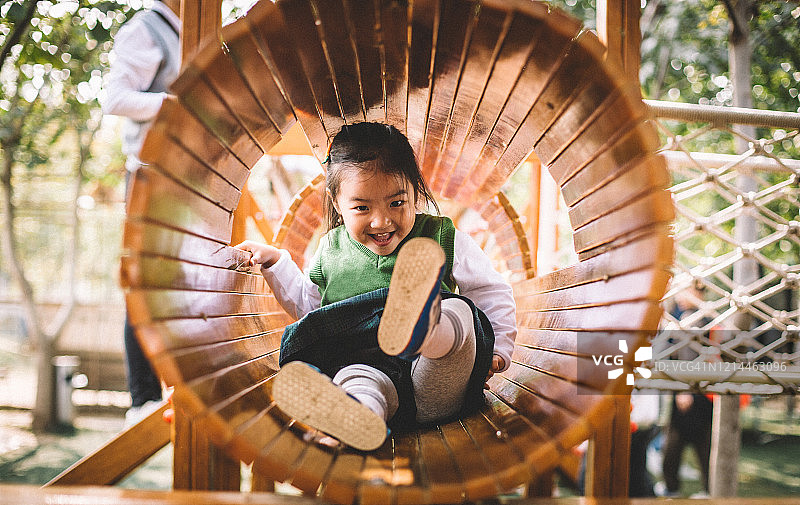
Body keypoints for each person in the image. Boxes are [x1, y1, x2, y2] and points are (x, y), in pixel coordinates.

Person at [236, 122, 517, 450]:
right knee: (355, 377)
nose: (381, 221)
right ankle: (360, 417)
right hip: (371, 373)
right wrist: (276, 263)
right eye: (362, 208)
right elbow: (313, 312)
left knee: (456, 311)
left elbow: (489, 290)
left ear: (415, 191)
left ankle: (424, 328)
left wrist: (498, 351)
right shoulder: (331, 250)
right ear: (337, 203)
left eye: (396, 203)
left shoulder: (441, 236)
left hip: (435, 385)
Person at [100, 0, 181, 425]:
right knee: (141, 283)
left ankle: (162, 390)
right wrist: (172, 106)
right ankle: (141, 399)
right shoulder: (146, 28)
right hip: (148, 176)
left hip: (178, 179)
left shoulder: (190, 28)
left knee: (171, 285)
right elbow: (114, 98)